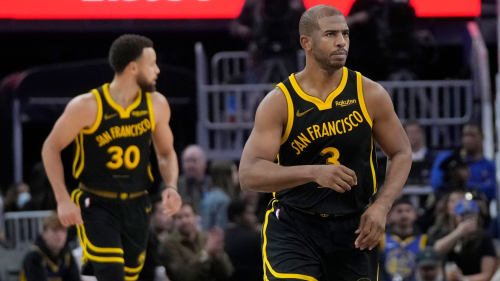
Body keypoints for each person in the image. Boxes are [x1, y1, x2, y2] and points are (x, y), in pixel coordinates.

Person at [239, 4, 412, 281]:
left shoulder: (369, 93)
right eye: (331, 34)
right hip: (295, 225)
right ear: (307, 43)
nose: (342, 41)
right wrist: (313, 172)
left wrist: (381, 206)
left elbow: (402, 151)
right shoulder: (280, 101)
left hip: (353, 227)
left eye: (345, 34)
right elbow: (249, 174)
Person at [41, 34, 182, 281]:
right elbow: (50, 147)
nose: (158, 70)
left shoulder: (156, 104)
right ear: (133, 67)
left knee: (129, 276)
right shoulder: (87, 106)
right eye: (152, 64)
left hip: (137, 205)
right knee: (112, 275)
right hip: (97, 204)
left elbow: (166, 152)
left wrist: (171, 185)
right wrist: (63, 198)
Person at [161, 202, 233, 281]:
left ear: (195, 217)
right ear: (174, 221)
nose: (185, 220)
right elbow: (180, 275)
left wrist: (218, 258)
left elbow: (226, 273)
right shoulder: (170, 243)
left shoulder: (206, 238)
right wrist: (205, 253)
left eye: (187, 216)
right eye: (179, 217)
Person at [430, 123, 496, 201]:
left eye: (472, 135)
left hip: (478, 205)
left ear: (482, 137)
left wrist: (463, 184)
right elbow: (436, 183)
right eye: (465, 135)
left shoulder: (490, 165)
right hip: (450, 203)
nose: (468, 139)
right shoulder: (447, 159)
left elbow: (493, 189)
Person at [433, 199, 496, 281]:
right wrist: (459, 233)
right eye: (463, 215)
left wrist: (464, 279)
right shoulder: (448, 233)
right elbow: (436, 249)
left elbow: (487, 275)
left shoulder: (484, 238)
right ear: (456, 217)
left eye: (470, 214)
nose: (467, 218)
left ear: (477, 216)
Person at [20, 212, 80, 281]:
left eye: (63, 230)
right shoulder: (34, 256)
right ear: (44, 233)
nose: (59, 235)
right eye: (55, 230)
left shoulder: (67, 255)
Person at [380, 198, 427, 281]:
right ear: (390, 215)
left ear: (415, 214)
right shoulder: (380, 238)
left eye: (408, 211)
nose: (404, 215)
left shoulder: (424, 240)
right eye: (399, 211)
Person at [224, 199, 262, 281]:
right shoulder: (254, 237)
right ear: (237, 217)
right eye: (249, 214)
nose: (254, 218)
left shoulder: (224, 237)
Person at [139, 197, 175, 281]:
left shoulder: (172, 239)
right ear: (152, 215)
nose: (168, 217)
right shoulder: (144, 241)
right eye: (163, 213)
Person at [201, 160, 239, 230]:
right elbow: (222, 228)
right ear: (226, 176)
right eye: (235, 172)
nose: (237, 176)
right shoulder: (223, 200)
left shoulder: (208, 197)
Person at [177, 145, 212, 214]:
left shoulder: (213, 183)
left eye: (194, 161)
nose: (190, 165)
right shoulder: (174, 185)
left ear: (205, 163)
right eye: (187, 161)